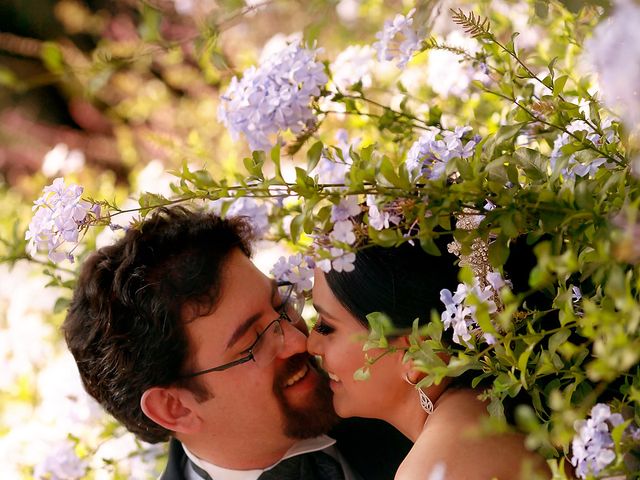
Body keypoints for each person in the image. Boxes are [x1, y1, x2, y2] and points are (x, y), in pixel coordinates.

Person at [63, 206, 410, 480]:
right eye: (253, 342)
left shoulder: (394, 388)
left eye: (279, 305)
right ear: (175, 407)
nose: (298, 341)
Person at [307, 239, 553, 479]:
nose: (310, 345)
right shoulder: (492, 411)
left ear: (418, 354)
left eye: (327, 327)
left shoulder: (429, 470)